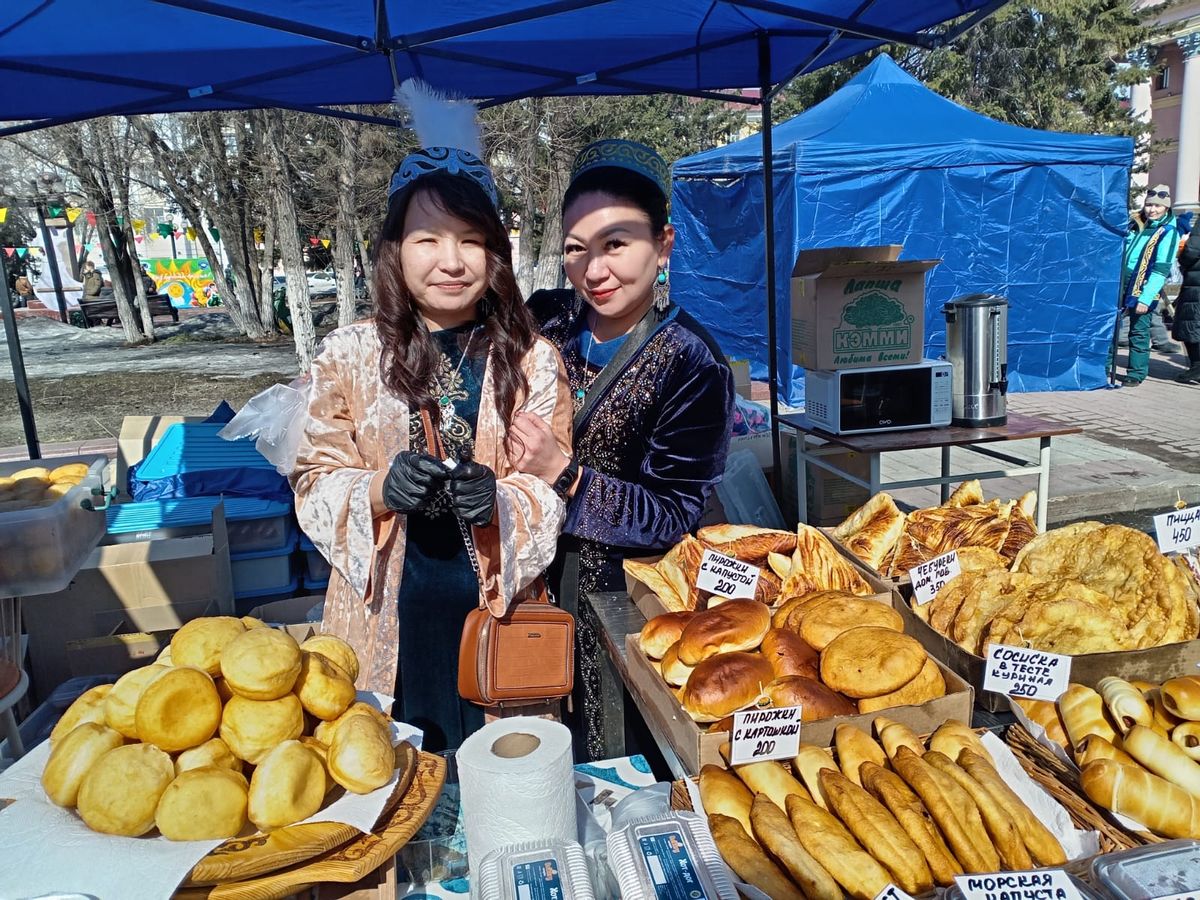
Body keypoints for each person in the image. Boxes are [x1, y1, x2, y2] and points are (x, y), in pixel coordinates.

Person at [291, 145, 573, 751]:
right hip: (383, 618)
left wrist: (497, 501)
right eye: (427, 239)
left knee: (502, 779)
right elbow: (312, 478)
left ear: (495, 253)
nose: (451, 260)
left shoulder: (532, 359)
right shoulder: (347, 355)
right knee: (388, 779)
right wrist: (376, 488)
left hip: (496, 616)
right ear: (395, 249)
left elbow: (546, 489)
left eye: (471, 239)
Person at [516, 140, 735, 760]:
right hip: (531, 586)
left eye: (616, 244)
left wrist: (567, 477)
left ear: (663, 244)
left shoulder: (691, 362)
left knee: (614, 759)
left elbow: (675, 516)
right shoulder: (547, 319)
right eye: (575, 249)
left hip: (624, 605)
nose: (594, 271)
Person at [1110, 185, 1180, 386]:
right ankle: (1106, 364)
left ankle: (1136, 373)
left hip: (1143, 286)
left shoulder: (1168, 232)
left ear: (1166, 208)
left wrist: (1146, 297)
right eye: (1149, 205)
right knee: (1112, 326)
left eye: (1158, 206)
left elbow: (1161, 269)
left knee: (1139, 331)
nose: (1152, 210)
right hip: (1123, 281)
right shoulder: (1137, 225)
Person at [1172, 218, 1200, 384]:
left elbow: (1192, 250)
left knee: (1191, 323)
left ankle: (1197, 367)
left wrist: (1182, 258)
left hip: (1197, 283)